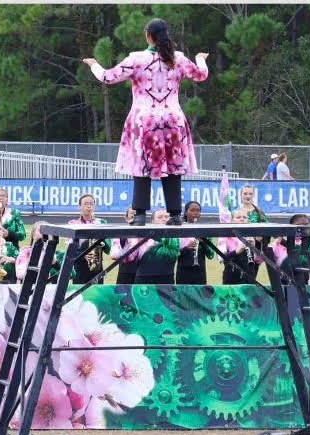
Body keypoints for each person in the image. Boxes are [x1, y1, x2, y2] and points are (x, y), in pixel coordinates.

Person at [83, 18, 209, 224]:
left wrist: (94, 64)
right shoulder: (178, 59)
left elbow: (107, 77)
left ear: (148, 36)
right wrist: (200, 58)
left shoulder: (136, 59)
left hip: (145, 120)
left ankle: (140, 214)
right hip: (173, 120)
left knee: (141, 167)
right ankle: (176, 214)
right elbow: (201, 74)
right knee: (173, 166)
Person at [68, 193, 107, 285]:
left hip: (96, 263)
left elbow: (108, 249)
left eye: (91, 203)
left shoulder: (101, 223)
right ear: (79, 206)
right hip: (80, 264)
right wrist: (83, 255)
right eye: (86, 204)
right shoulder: (73, 223)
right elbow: (69, 247)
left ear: (94, 206)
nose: (89, 206)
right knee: (79, 293)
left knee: (98, 292)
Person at [175, 201, 211, 285]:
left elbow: (211, 255)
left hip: (200, 271)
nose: (195, 213)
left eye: (198, 211)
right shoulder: (179, 229)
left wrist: (203, 243)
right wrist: (186, 249)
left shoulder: (205, 230)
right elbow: (173, 253)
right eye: (192, 210)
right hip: (183, 271)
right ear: (186, 212)